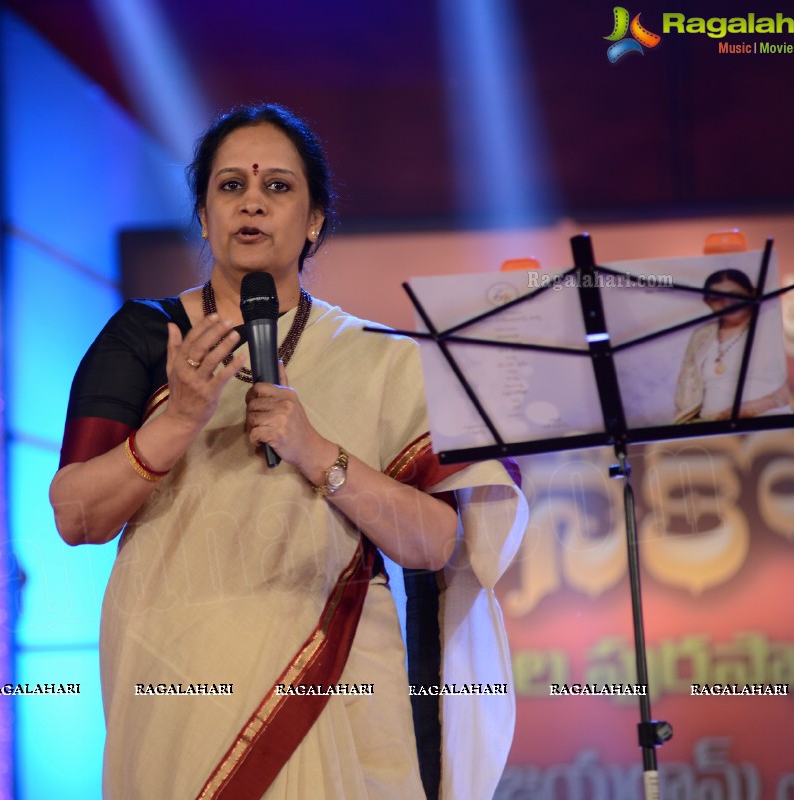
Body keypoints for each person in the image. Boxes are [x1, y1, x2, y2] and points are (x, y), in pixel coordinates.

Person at [50, 103, 525, 799]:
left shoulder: (383, 359)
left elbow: (438, 543)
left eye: (277, 187)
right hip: (178, 672)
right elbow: (75, 516)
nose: (252, 204)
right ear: (204, 216)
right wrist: (179, 420)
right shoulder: (146, 338)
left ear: (314, 221)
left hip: (336, 674)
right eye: (229, 187)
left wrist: (321, 455)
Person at [674, 268, 790, 423]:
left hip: (766, 421)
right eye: (717, 298)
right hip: (709, 426)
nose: (727, 302)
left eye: (735, 295)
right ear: (707, 302)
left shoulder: (772, 323)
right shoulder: (701, 336)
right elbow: (686, 393)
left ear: (752, 294)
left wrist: (752, 408)